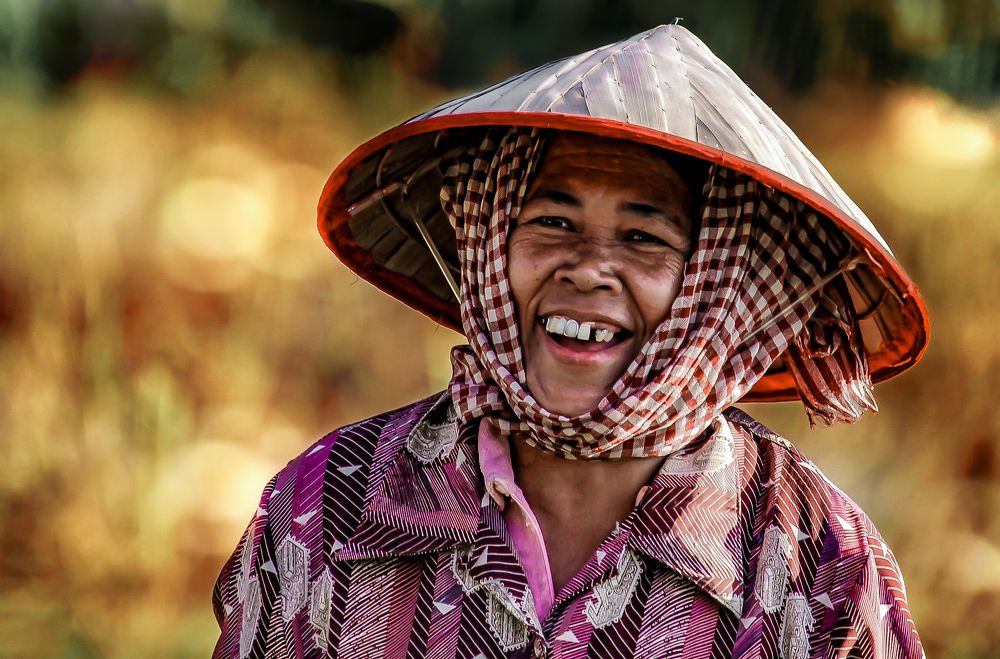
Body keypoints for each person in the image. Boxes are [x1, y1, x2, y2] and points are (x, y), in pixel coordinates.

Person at [212, 25, 928, 658]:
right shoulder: (328, 503)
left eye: (644, 238)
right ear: (490, 243)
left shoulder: (817, 563)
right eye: (552, 222)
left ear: (720, 287)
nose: (588, 268)